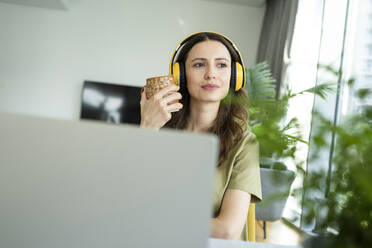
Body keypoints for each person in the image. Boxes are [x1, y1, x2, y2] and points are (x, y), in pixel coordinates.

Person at [140, 31, 262, 241]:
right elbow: (129, 197)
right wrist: (147, 128)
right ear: (181, 76)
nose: (211, 74)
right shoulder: (157, 132)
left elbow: (227, 230)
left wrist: (157, 219)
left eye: (221, 65)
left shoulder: (244, 143)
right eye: (199, 65)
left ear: (235, 76)